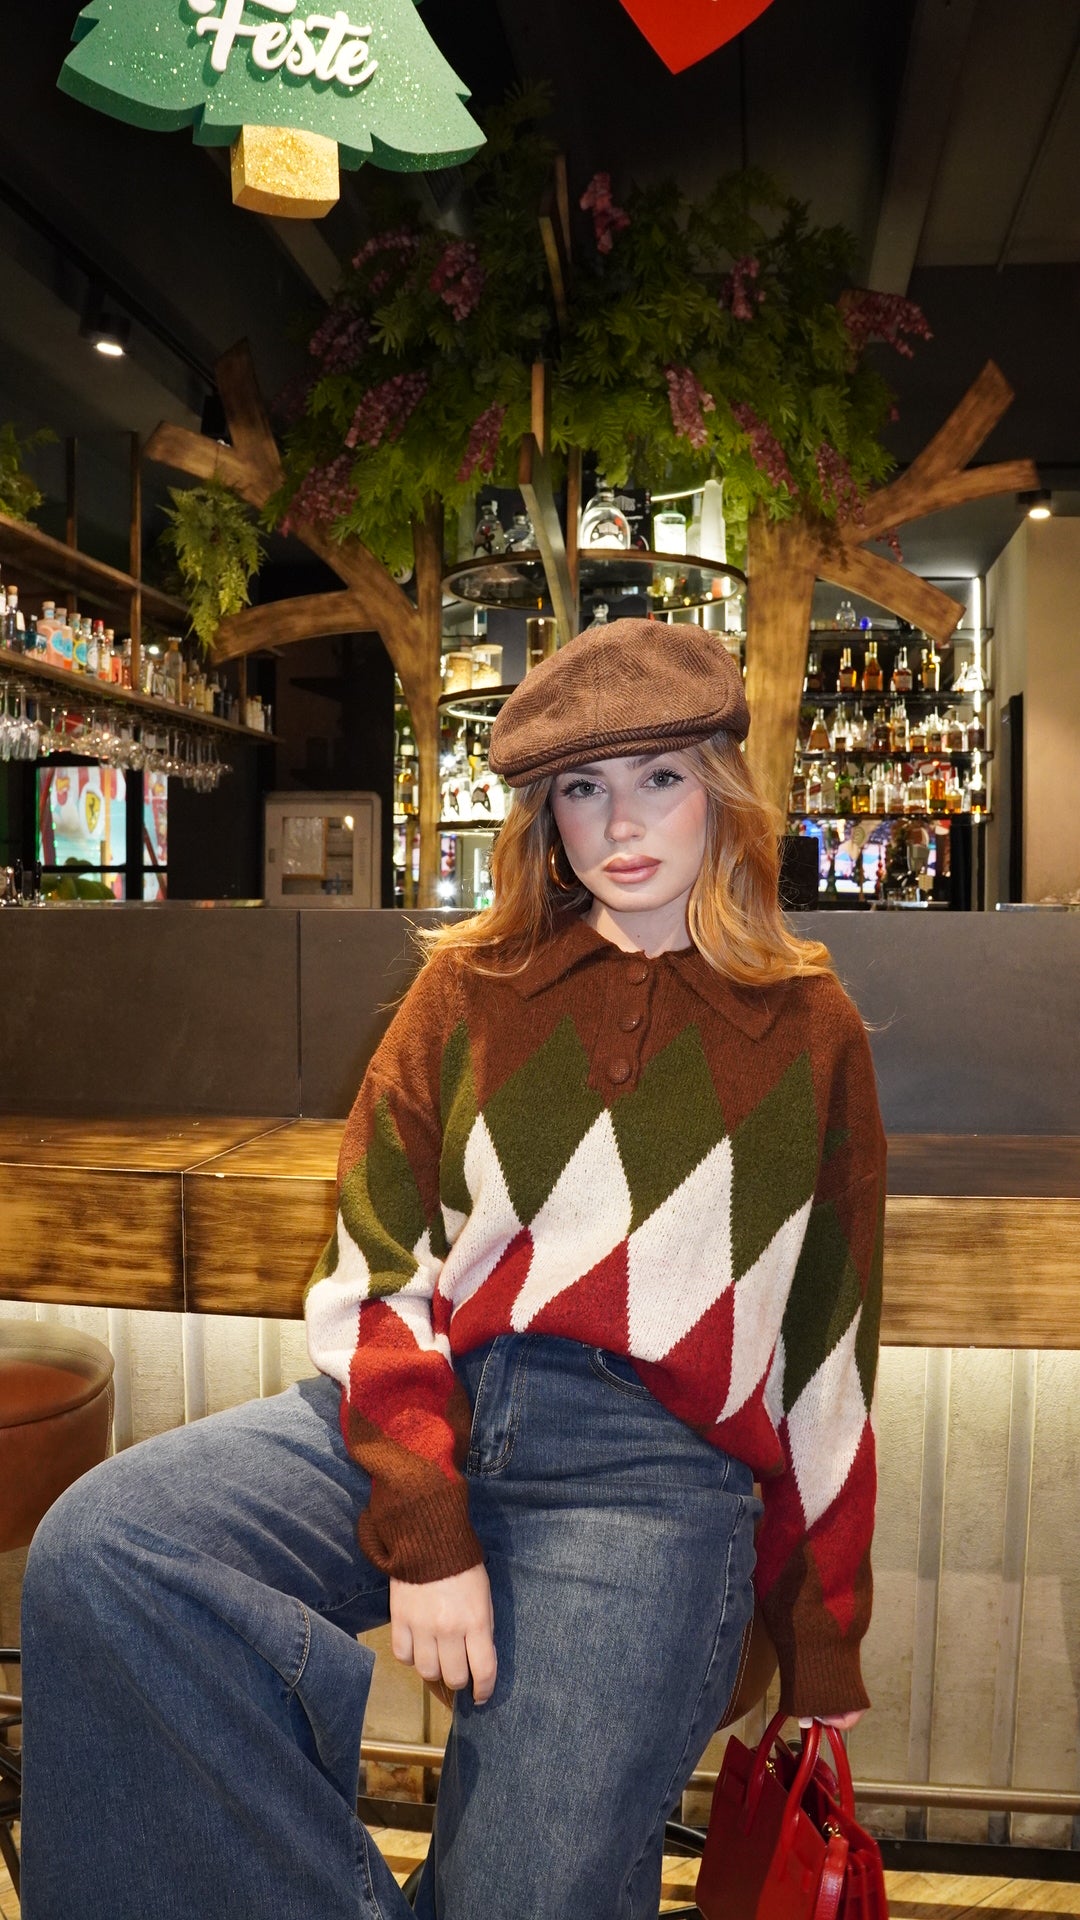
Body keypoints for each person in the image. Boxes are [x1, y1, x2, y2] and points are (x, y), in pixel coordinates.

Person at [19, 617, 885, 1920]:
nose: (621, 822)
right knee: (108, 1552)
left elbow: (829, 1348)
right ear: (545, 816)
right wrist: (426, 1523)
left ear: (722, 784)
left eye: (659, 776)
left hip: (652, 1479)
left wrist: (821, 1633)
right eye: (582, 788)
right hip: (435, 1407)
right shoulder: (469, 987)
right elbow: (373, 1270)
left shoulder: (811, 1026)